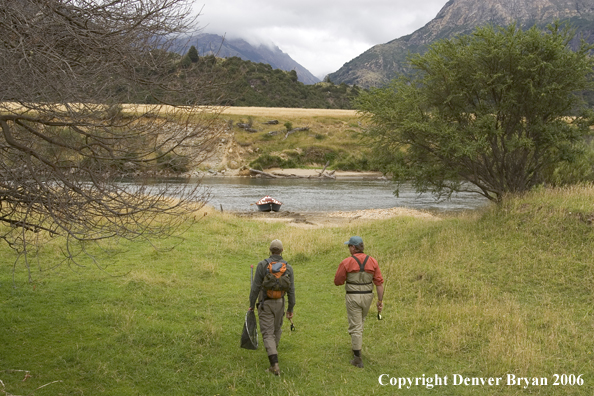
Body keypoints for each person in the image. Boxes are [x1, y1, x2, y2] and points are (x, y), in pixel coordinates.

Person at [334, 236, 384, 368]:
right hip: (368, 296)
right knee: (360, 322)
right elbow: (379, 283)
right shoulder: (373, 261)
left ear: (353, 247)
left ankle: (357, 358)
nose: (348, 248)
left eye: (349, 246)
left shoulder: (346, 262)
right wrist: (380, 300)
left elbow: (337, 281)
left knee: (355, 326)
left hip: (353, 296)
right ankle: (357, 346)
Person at [249, 239, 295, 375]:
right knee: (276, 330)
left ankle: (274, 365)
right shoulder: (288, 268)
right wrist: (290, 308)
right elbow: (291, 291)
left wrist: (251, 305)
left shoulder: (262, 265)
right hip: (280, 303)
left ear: (270, 250)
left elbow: (255, 288)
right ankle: (273, 352)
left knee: (267, 333)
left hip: (265, 303)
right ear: (282, 251)